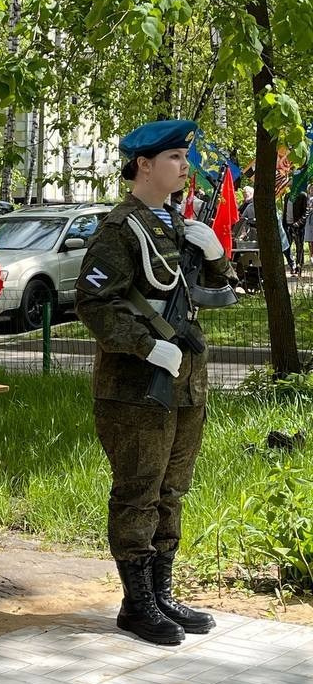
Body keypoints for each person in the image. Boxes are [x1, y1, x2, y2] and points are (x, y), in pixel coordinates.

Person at [75, 119, 237, 646]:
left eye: (183, 158)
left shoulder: (174, 224)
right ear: (144, 165)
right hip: (137, 388)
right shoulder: (122, 230)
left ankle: (162, 592)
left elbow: (217, 292)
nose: (183, 166)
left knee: (172, 488)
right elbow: (93, 303)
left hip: (186, 383)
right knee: (138, 490)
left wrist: (213, 255)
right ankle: (136, 603)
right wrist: (146, 345)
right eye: (174, 158)